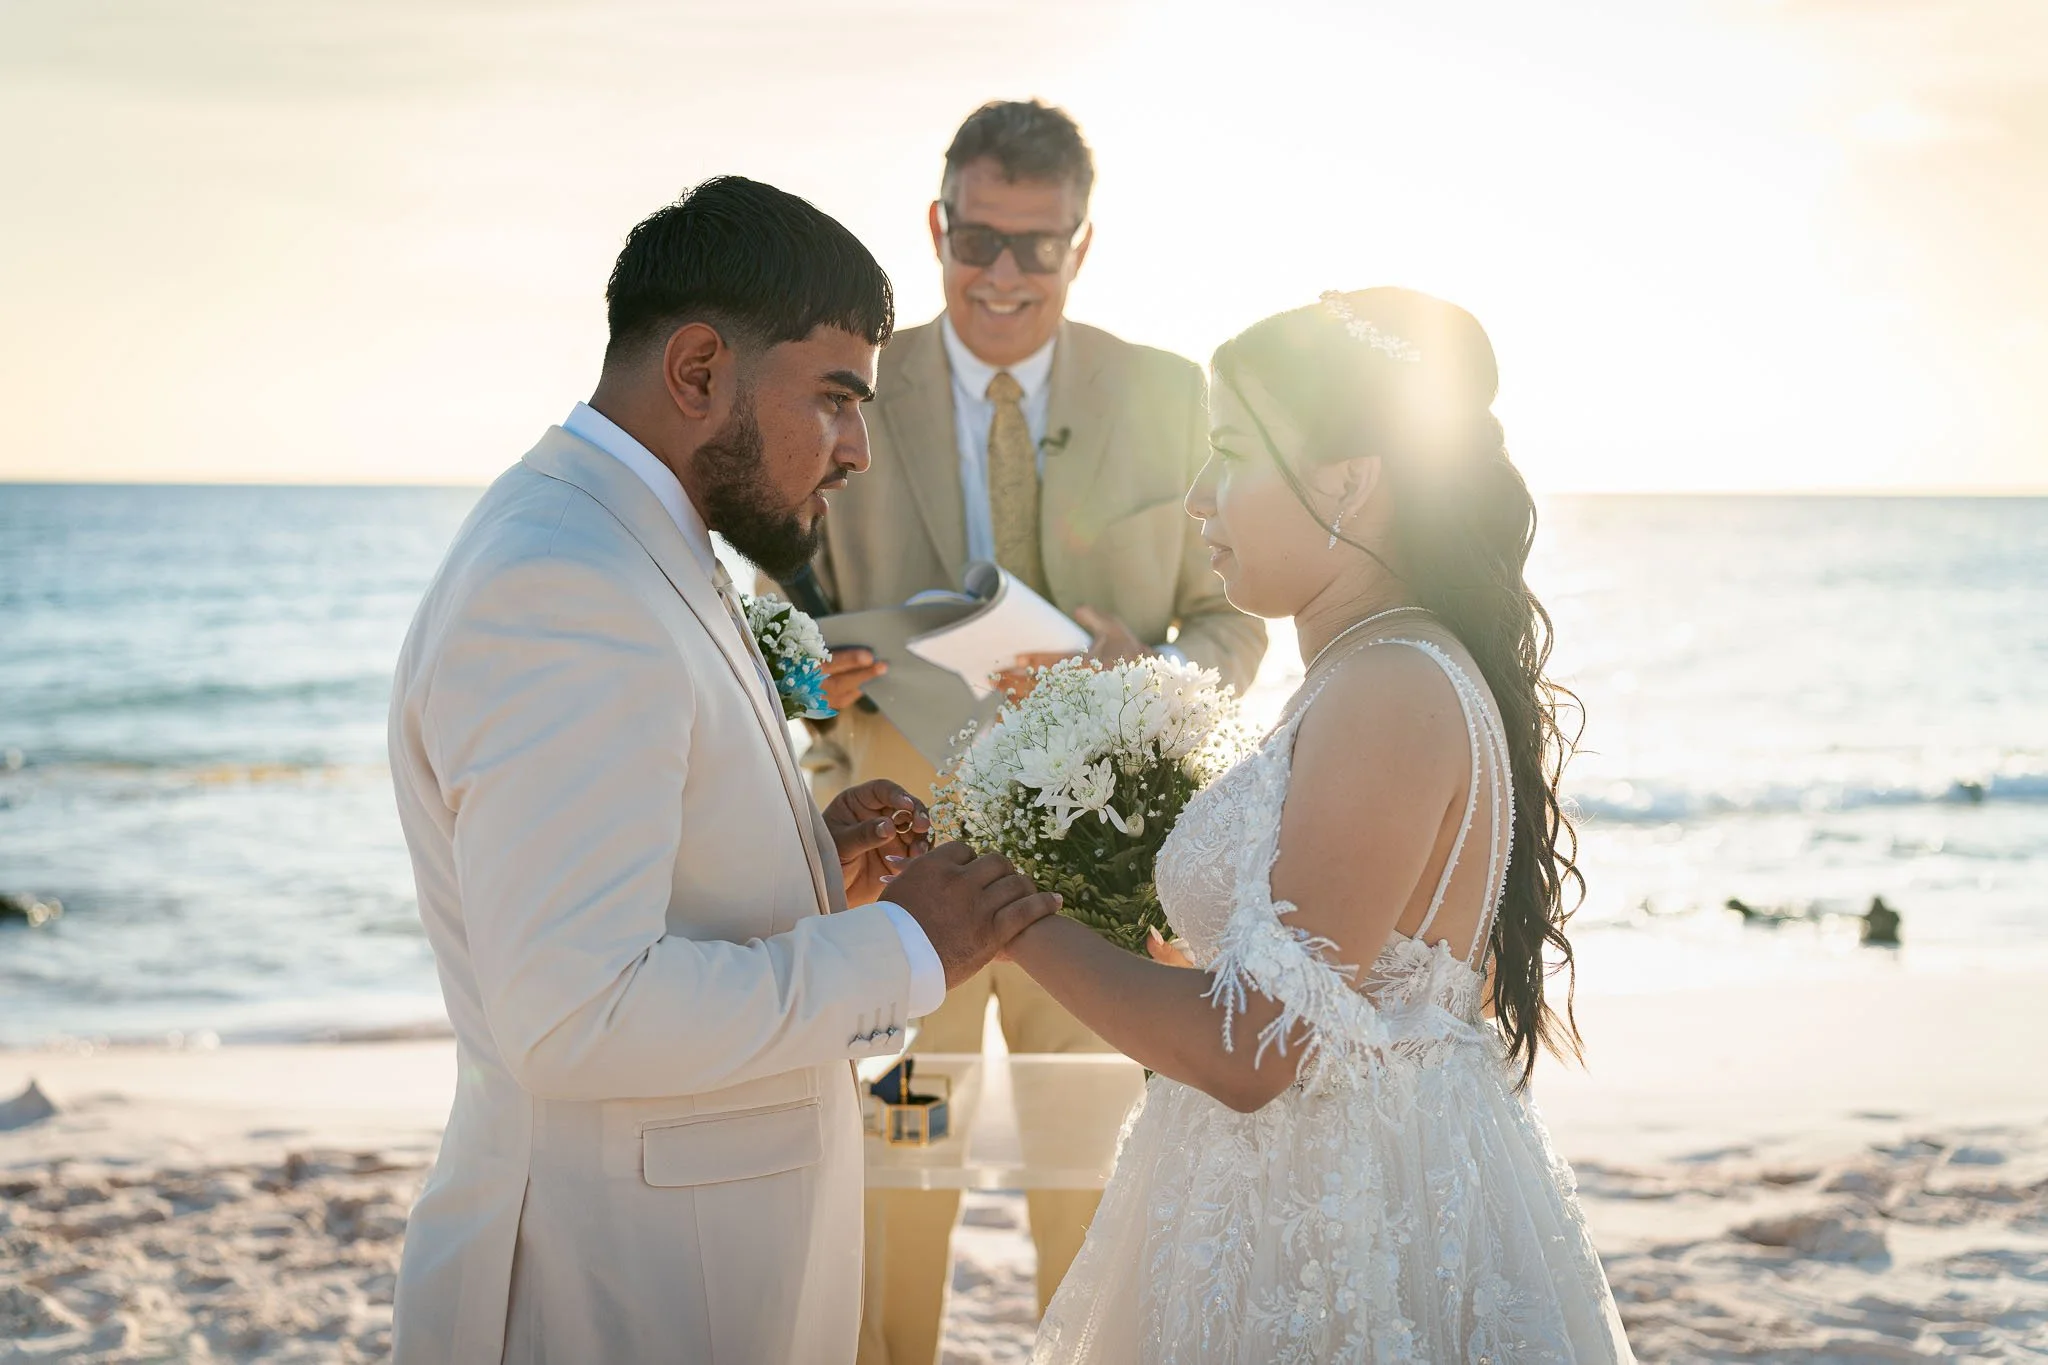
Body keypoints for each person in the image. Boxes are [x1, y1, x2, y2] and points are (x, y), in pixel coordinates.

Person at [384, 176, 1062, 1365]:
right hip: (622, 1291)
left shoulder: (633, 538)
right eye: (836, 400)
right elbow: (576, 1014)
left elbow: (644, 881)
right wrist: (907, 949)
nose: (855, 450)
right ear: (698, 372)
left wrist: (815, 867)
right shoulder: (566, 589)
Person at [1006, 289, 1636, 1360]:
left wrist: (1001, 916)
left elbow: (1253, 1049)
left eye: (1231, 453)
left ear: (1351, 480)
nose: (1198, 498)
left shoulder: (1389, 687)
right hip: (1312, 1203)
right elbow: (1352, 981)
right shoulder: (1370, 671)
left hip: (1337, 1236)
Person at [774, 100, 1266, 1365]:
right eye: (974, 240)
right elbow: (778, 607)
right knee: (897, 1167)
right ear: (936, 226)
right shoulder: (853, 392)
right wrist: (807, 670)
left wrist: (1140, 673)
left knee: (1093, 1184)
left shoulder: (1165, 395)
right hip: (903, 872)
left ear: (1080, 246)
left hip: (1102, 886)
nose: (999, 275)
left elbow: (1229, 623)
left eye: (1033, 248)